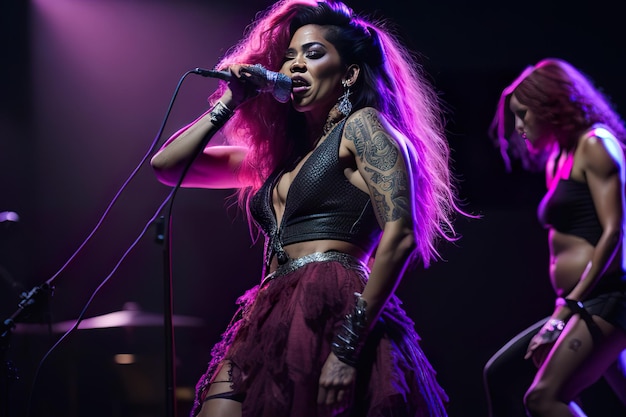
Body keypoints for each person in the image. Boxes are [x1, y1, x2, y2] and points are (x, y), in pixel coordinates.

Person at [150, 0, 464, 416]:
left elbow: (401, 235)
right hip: (269, 310)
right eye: (289, 57)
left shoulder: (363, 127)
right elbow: (169, 167)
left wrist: (347, 349)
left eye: (313, 54)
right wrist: (231, 100)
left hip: (332, 304)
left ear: (349, 73)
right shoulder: (280, 157)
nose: (295, 66)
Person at [485, 57, 626, 417]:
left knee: (541, 398)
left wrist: (570, 305)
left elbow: (615, 233)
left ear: (552, 106)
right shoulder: (556, 160)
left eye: (524, 114)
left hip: (606, 299)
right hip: (579, 301)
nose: (518, 127)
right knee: (500, 375)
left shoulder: (596, 145)